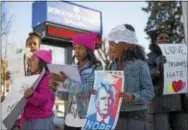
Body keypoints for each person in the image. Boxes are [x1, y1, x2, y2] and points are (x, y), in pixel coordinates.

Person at [104, 24, 154, 130]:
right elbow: (108, 90)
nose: (110, 49)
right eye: (109, 45)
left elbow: (149, 92)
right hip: (115, 117)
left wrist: (133, 96)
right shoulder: (111, 65)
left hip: (135, 117)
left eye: (112, 44)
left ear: (125, 45)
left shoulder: (140, 64)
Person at [49, 33, 103, 130]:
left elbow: (88, 91)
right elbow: (68, 95)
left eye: (81, 48)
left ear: (89, 50)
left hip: (86, 120)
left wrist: (65, 81)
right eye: (75, 48)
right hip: (69, 121)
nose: (77, 52)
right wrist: (56, 88)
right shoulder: (72, 69)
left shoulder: (97, 68)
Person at [147, 29, 188, 130]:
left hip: (178, 102)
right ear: (154, 41)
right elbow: (146, 78)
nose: (165, 40)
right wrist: (157, 69)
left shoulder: (177, 55)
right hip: (159, 104)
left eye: (167, 38)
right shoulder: (149, 57)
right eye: (161, 38)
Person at [21, 49, 55, 130]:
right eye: (29, 60)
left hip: (40, 121)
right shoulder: (33, 77)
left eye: (33, 59)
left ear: (42, 62)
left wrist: (32, 95)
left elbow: (44, 100)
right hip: (29, 120)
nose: (30, 62)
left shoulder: (47, 78)